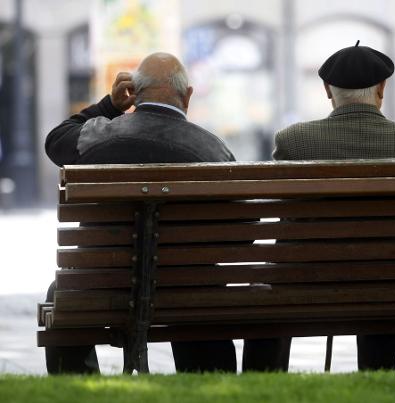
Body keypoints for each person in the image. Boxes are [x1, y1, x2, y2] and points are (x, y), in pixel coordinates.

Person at [44, 52, 275, 374]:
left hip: (105, 283)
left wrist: (108, 107)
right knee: (203, 285)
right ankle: (207, 381)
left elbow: (55, 141)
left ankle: (75, 384)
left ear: (134, 93)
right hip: (194, 287)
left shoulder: (98, 136)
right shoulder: (211, 149)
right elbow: (244, 232)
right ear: (188, 95)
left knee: (61, 291)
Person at [274, 41, 395, 370]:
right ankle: (376, 373)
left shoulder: (293, 140)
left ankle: (262, 377)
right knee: (388, 270)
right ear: (381, 88)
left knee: (272, 286)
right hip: (392, 278)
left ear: (327, 90)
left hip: (309, 278)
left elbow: (284, 216)